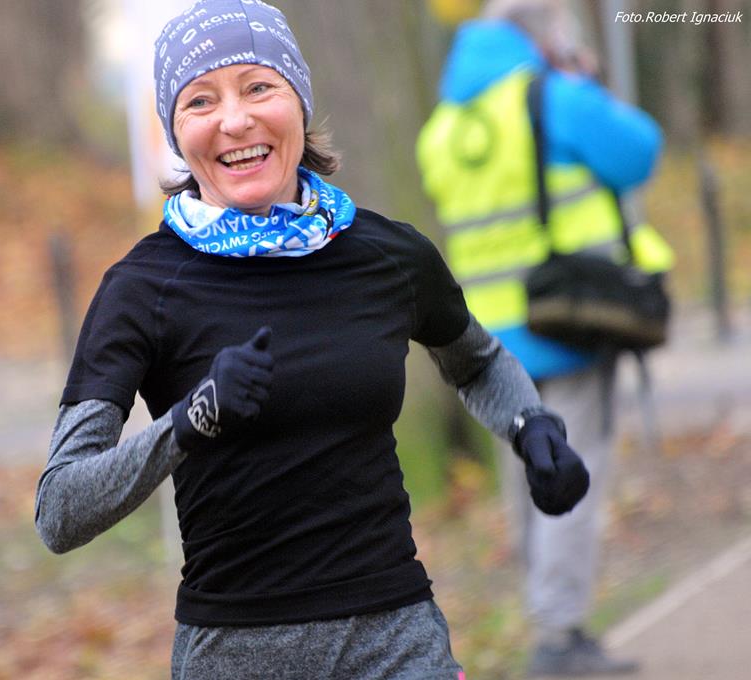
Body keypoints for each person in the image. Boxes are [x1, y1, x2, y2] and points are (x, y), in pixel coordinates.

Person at [35, 1, 590, 677]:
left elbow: (477, 363)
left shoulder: (386, 254)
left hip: (397, 638)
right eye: (200, 100)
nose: (234, 120)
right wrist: (188, 422)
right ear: (176, 133)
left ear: (299, 101)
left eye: (258, 87)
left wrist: (531, 426)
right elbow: (60, 510)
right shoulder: (142, 287)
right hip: (234, 653)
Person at [417, 0, 669, 676]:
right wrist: (581, 80)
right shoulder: (555, 97)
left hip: (487, 343)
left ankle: (546, 617)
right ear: (543, 37)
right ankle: (559, 637)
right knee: (572, 472)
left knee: (528, 475)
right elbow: (639, 151)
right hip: (569, 318)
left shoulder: (443, 129)